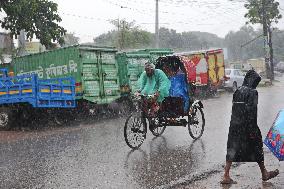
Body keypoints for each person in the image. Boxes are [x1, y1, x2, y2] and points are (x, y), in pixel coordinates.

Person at [221, 70, 279, 184]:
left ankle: (226, 175)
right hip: (247, 126)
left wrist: (235, 124)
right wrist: (252, 130)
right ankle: (264, 173)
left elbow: (234, 109)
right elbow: (252, 111)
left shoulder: (237, 90)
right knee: (257, 147)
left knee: (232, 149)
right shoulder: (253, 92)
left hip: (235, 126)